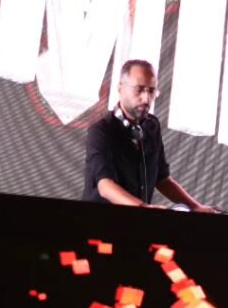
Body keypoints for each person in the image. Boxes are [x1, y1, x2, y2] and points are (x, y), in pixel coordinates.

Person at [83, 59, 214, 211]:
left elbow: (162, 179)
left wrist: (196, 207)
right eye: (139, 89)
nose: (146, 98)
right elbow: (105, 186)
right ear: (120, 88)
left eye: (151, 91)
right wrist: (144, 208)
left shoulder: (152, 126)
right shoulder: (101, 131)